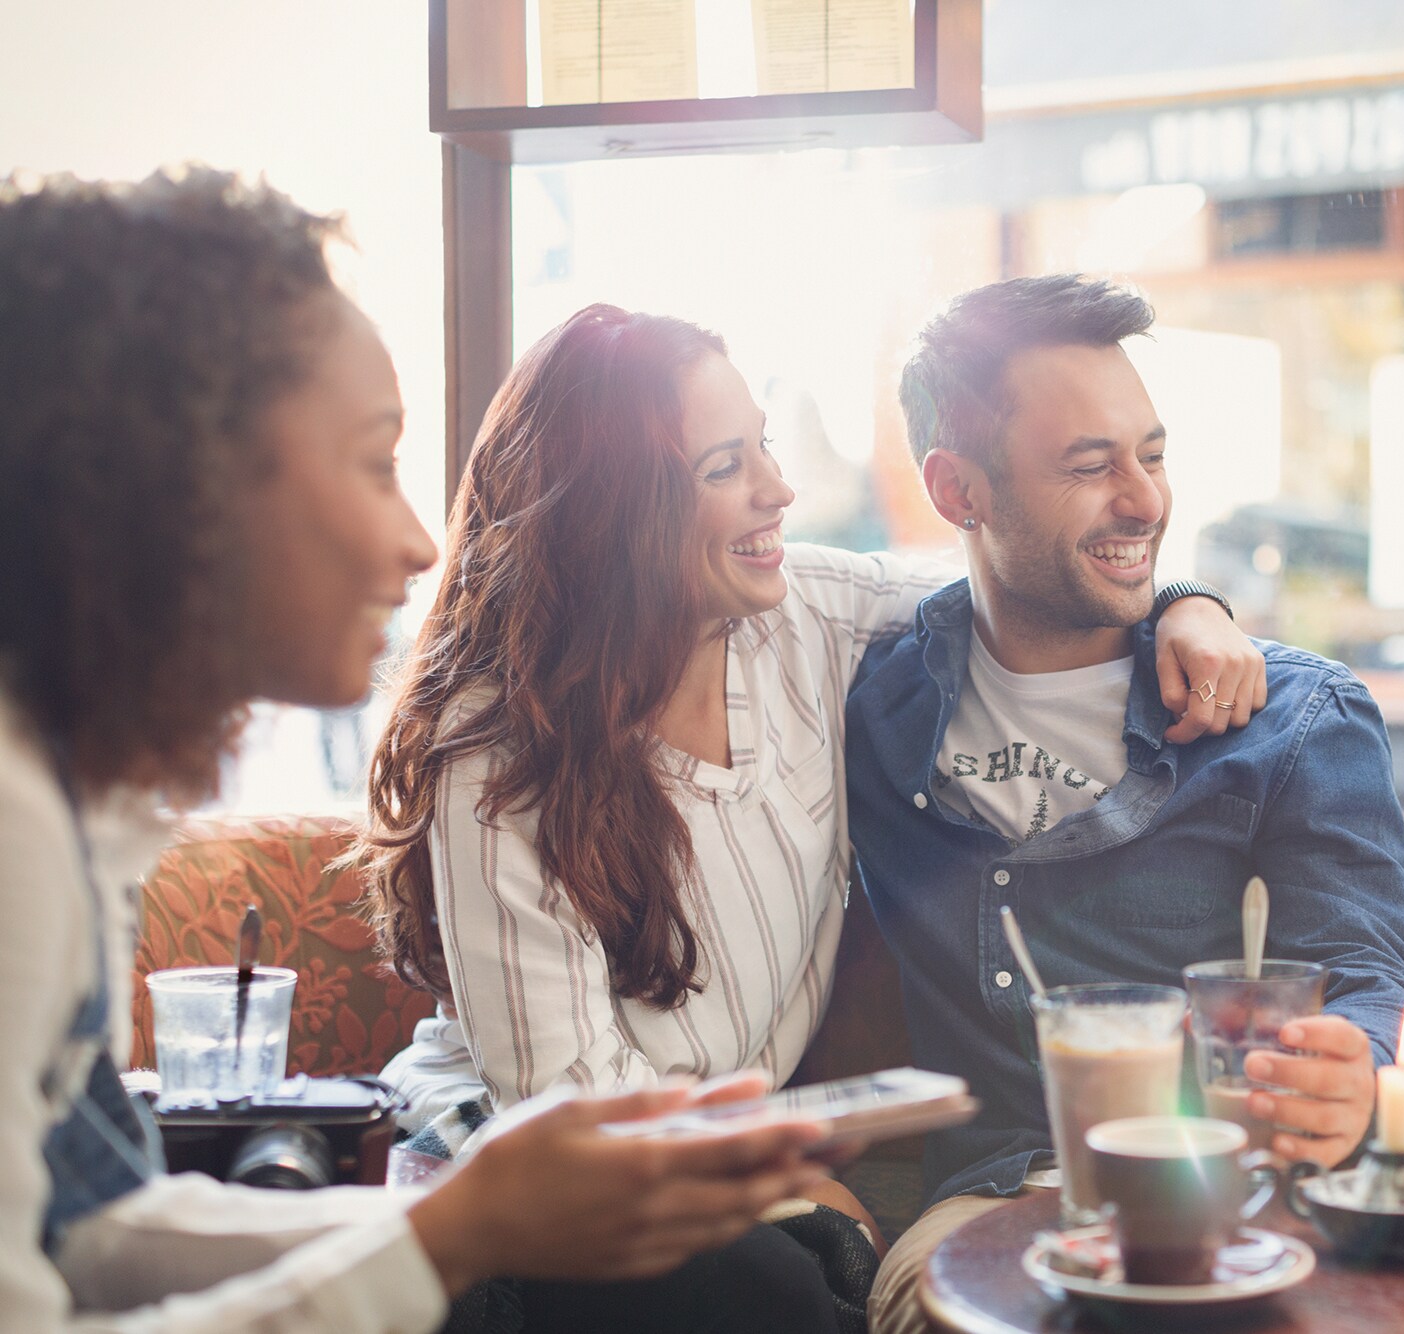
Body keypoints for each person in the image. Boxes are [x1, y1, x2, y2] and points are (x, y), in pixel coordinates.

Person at [0, 169, 838, 1333]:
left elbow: (89, 1228)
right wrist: (447, 1236)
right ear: (174, 485)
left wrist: (448, 1227)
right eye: (375, 459)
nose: (412, 541)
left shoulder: (71, 797)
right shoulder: (14, 832)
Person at [353, 303, 1263, 1320]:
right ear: (611, 509)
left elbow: (1022, 577)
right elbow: (573, 1113)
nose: (778, 491)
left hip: (719, 1188)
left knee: (768, 1281)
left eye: (765, 447)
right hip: (519, 1178)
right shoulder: (495, 745)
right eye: (722, 466)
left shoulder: (805, 618)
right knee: (759, 1290)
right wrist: (778, 1172)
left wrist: (1188, 600)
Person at [842, 275, 1404, 1332]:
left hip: (1233, 1197)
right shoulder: (866, 698)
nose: (1146, 501)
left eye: (1150, 455)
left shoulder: (1288, 717)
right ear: (956, 489)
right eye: (1089, 465)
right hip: (992, 1204)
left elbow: (1369, 984)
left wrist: (1350, 1070)